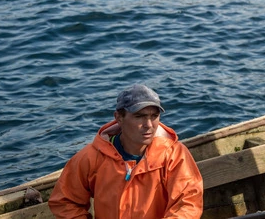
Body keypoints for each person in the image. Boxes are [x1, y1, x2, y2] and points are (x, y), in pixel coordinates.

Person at [49, 84, 203, 218]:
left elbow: (188, 203)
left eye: (154, 116)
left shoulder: (174, 154)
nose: (149, 124)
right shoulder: (91, 157)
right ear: (119, 117)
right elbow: (65, 201)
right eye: (139, 116)